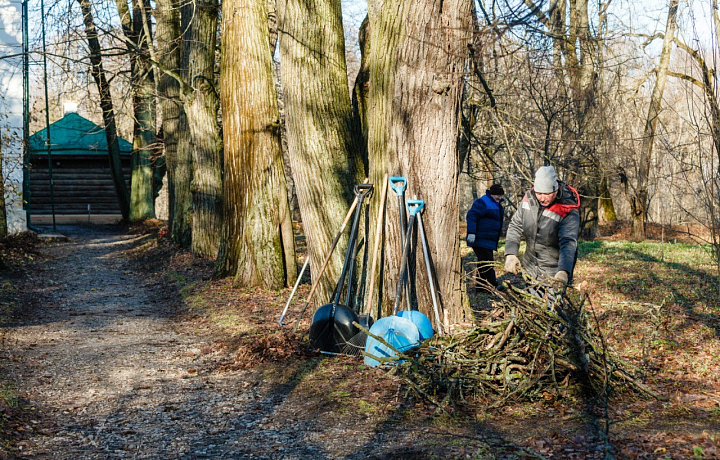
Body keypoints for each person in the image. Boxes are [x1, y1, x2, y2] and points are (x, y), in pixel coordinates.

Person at [504, 166, 580, 286]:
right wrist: (510, 253)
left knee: (551, 304)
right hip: (529, 268)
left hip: (553, 272)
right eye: (539, 193)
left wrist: (563, 271)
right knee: (529, 303)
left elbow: (568, 242)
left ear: (555, 191)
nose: (542, 198)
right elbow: (515, 225)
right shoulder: (528, 199)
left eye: (547, 194)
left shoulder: (568, 209)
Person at [466, 183, 505, 291]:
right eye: (497, 195)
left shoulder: (496, 204)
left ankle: (480, 286)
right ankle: (494, 285)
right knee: (488, 262)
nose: (499, 197)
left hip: (487, 239)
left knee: (482, 262)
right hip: (479, 238)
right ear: (492, 194)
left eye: (501, 195)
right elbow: (471, 215)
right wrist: (471, 232)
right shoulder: (483, 202)